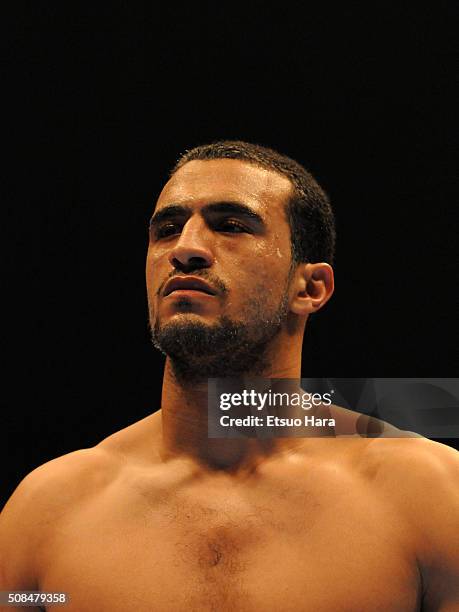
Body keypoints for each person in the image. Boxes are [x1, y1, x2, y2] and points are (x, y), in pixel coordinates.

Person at [1, 141, 458, 611]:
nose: (186, 249)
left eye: (232, 226)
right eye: (167, 229)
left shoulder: (427, 496)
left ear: (311, 287)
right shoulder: (47, 512)